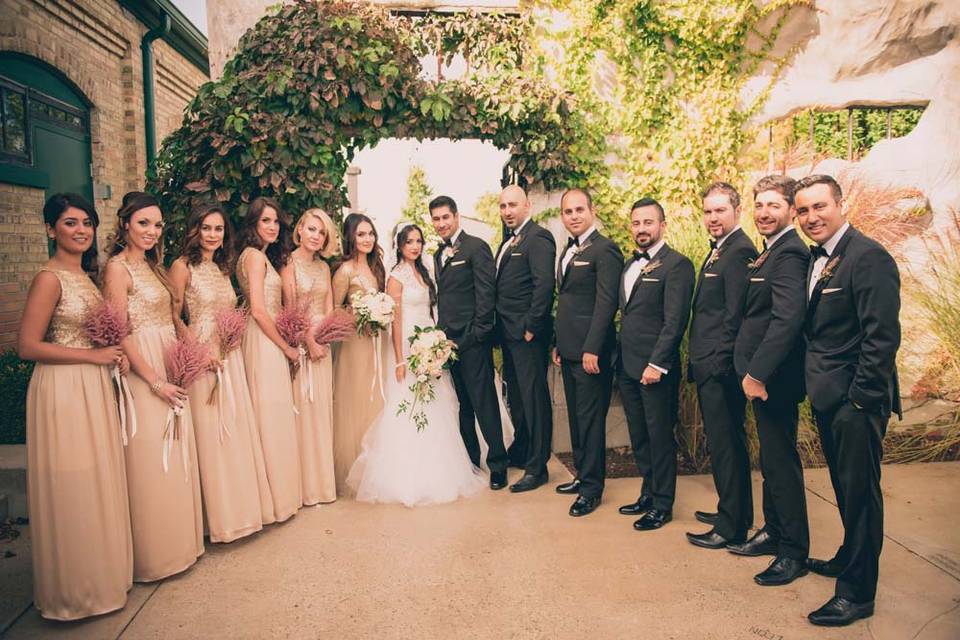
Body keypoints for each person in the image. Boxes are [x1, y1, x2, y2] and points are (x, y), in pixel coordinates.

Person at [19, 193, 133, 619]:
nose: (81, 230)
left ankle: (100, 580)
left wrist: (109, 350)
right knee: (72, 485)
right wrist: (93, 356)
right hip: (63, 390)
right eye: (69, 223)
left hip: (92, 385)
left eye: (86, 222)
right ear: (51, 229)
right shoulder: (50, 278)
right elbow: (27, 346)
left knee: (96, 480)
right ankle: (72, 593)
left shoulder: (86, 277)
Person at [796, 174, 901, 627]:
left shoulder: (869, 257)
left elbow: (882, 337)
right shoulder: (816, 259)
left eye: (820, 206)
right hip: (827, 396)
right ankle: (849, 556)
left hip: (855, 403)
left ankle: (857, 594)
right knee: (844, 487)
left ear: (841, 204)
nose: (811, 217)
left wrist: (860, 400)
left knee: (860, 494)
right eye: (803, 210)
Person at [101, 191, 204, 581]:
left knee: (176, 452)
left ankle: (180, 545)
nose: (151, 231)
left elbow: (172, 316)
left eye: (157, 225)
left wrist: (188, 353)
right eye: (143, 223)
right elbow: (119, 330)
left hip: (168, 357)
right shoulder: (117, 269)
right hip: (143, 367)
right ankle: (154, 556)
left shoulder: (155, 268)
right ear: (125, 224)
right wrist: (156, 381)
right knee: (149, 455)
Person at [347, 224, 486, 506]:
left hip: (430, 344)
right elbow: (396, 321)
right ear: (399, 245)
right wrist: (400, 358)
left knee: (439, 406)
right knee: (409, 407)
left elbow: (433, 311)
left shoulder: (425, 272)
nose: (415, 246)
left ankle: (443, 468)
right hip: (408, 347)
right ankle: (408, 475)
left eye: (419, 241)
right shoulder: (396, 277)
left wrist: (436, 343)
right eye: (409, 241)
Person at [168, 203, 273, 541]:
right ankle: (214, 519)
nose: (212, 235)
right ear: (194, 230)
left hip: (229, 353)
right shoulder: (182, 267)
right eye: (206, 228)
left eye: (218, 229)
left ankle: (238, 513)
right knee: (210, 431)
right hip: (202, 354)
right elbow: (173, 317)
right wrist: (199, 352)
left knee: (232, 430)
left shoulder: (223, 268)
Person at [725, 175, 810, 587]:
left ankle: (793, 552)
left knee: (780, 464)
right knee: (771, 462)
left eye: (774, 205)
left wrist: (757, 373)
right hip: (759, 377)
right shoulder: (769, 251)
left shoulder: (791, 253)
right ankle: (773, 531)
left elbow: (787, 319)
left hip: (773, 379)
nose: (764, 213)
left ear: (791, 210)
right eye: (760, 205)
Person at [686, 182, 758, 549]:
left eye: (720, 211)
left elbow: (734, 315)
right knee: (727, 442)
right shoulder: (721, 250)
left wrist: (717, 363)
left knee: (726, 444)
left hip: (720, 368)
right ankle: (735, 510)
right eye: (708, 211)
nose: (713, 218)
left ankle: (731, 527)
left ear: (736, 210)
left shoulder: (740, 250)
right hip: (709, 363)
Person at [616, 198, 694, 531]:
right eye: (636, 223)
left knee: (660, 436)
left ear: (662, 225)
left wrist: (657, 363)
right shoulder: (628, 264)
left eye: (648, 222)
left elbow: (675, 321)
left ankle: (663, 504)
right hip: (628, 367)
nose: (642, 229)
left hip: (654, 369)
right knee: (640, 435)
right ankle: (648, 493)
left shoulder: (677, 265)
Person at [430, 195, 509, 490]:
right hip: (448, 345)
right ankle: (472, 461)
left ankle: (498, 463)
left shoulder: (476, 247)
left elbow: (486, 295)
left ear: (456, 216)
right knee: (462, 405)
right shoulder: (438, 255)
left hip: (473, 342)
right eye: (436, 219)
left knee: (484, 403)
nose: (441, 223)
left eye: (445, 217)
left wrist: (478, 334)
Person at [553, 188, 622, 517]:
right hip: (568, 350)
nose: (574, 216)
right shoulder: (568, 249)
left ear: (592, 211)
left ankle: (592, 489)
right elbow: (567, 301)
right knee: (578, 420)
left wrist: (593, 348)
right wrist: (558, 343)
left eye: (580, 209)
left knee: (591, 421)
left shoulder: (605, 250)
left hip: (591, 353)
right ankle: (582, 476)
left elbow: (606, 303)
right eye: (568, 211)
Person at [236, 196, 302, 522]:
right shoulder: (254, 258)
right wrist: (286, 347)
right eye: (266, 221)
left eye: (276, 221)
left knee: (273, 414)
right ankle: (274, 500)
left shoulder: (261, 257)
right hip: (264, 339)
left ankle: (281, 495)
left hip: (267, 336)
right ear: (253, 224)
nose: (273, 227)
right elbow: (260, 311)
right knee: (269, 415)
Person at [493, 185, 557, 493]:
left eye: (512, 205)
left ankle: (538, 466)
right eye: (503, 205)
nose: (507, 211)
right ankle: (522, 449)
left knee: (534, 398)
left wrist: (532, 326)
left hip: (526, 335)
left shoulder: (538, 238)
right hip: (508, 335)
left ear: (527, 206)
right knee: (517, 397)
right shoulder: (509, 240)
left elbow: (544, 285)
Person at [281, 208, 339, 505]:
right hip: (302, 346)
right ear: (300, 230)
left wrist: (325, 337)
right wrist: (309, 342)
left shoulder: (325, 267)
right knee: (304, 409)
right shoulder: (288, 264)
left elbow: (328, 306)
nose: (317, 236)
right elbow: (291, 309)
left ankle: (323, 486)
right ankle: (304, 489)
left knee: (321, 413)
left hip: (322, 345)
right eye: (312, 229)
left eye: (322, 232)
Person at [331, 213, 387, 490]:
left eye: (371, 234)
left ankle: (376, 465)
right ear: (351, 237)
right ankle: (354, 467)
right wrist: (357, 315)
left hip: (377, 342)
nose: (367, 239)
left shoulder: (377, 267)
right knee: (356, 400)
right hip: (355, 344)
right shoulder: (345, 271)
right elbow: (334, 309)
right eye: (361, 234)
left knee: (376, 400)